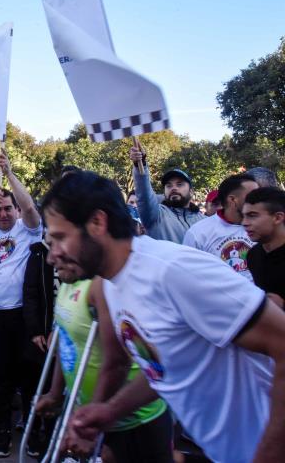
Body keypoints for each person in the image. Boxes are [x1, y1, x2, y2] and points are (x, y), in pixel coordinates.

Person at [42, 170, 285, 463]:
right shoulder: (113, 285)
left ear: (97, 222)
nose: (51, 255)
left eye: (59, 238)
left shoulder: (174, 271)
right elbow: (167, 368)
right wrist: (109, 411)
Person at [36, 273, 171, 462]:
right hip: (89, 416)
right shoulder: (67, 281)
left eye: (59, 243)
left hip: (132, 421)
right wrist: (55, 393)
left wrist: (93, 426)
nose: (51, 256)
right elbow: (66, 341)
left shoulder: (102, 286)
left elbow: (119, 362)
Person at [0, 151, 42, 458]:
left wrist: (10, 174)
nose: (3, 214)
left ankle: (31, 430)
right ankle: (2, 433)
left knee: (28, 378)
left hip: (24, 317)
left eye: (7, 208)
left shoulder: (27, 231)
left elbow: (29, 207)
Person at [21, 232, 57, 458]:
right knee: (34, 385)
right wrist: (35, 331)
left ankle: (52, 437)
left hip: (65, 333)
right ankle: (32, 430)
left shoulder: (76, 250)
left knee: (57, 387)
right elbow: (30, 292)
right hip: (40, 335)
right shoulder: (37, 253)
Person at [183, 173, 259, 281]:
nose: (259, 199)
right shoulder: (198, 233)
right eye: (252, 195)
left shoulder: (264, 227)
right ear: (233, 200)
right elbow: (188, 275)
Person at [129, 143, 203, 243]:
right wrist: (139, 165)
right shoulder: (156, 216)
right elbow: (144, 195)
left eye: (179, 184)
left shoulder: (204, 221)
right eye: (168, 185)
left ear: (191, 191)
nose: (173, 188)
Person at [244, 187, 285, 309]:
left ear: (277, 218)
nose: (244, 223)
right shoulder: (253, 255)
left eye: (252, 215)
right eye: (244, 216)